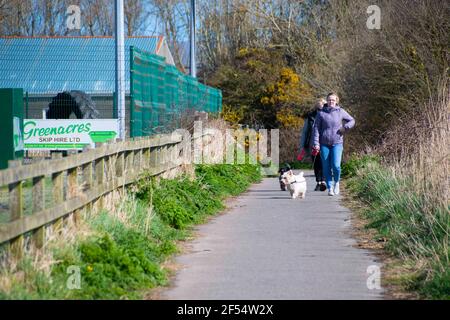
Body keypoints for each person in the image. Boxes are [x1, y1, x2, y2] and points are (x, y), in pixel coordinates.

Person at [312, 93, 355, 196]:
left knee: (336, 165)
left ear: (337, 101)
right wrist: (316, 143)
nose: (331, 101)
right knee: (326, 167)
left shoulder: (341, 111)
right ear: (327, 101)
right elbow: (316, 129)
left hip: (337, 143)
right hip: (324, 144)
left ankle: (336, 182)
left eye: (333, 100)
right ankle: (330, 187)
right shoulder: (321, 113)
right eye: (329, 100)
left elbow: (352, 120)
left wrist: (345, 127)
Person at [299, 98, 326, 191]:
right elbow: (305, 132)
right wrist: (302, 146)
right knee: (316, 162)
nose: (320, 109)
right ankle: (318, 181)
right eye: (318, 107)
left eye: (322, 106)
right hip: (312, 143)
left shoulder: (328, 115)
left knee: (324, 161)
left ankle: (323, 181)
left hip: (325, 142)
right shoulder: (311, 117)